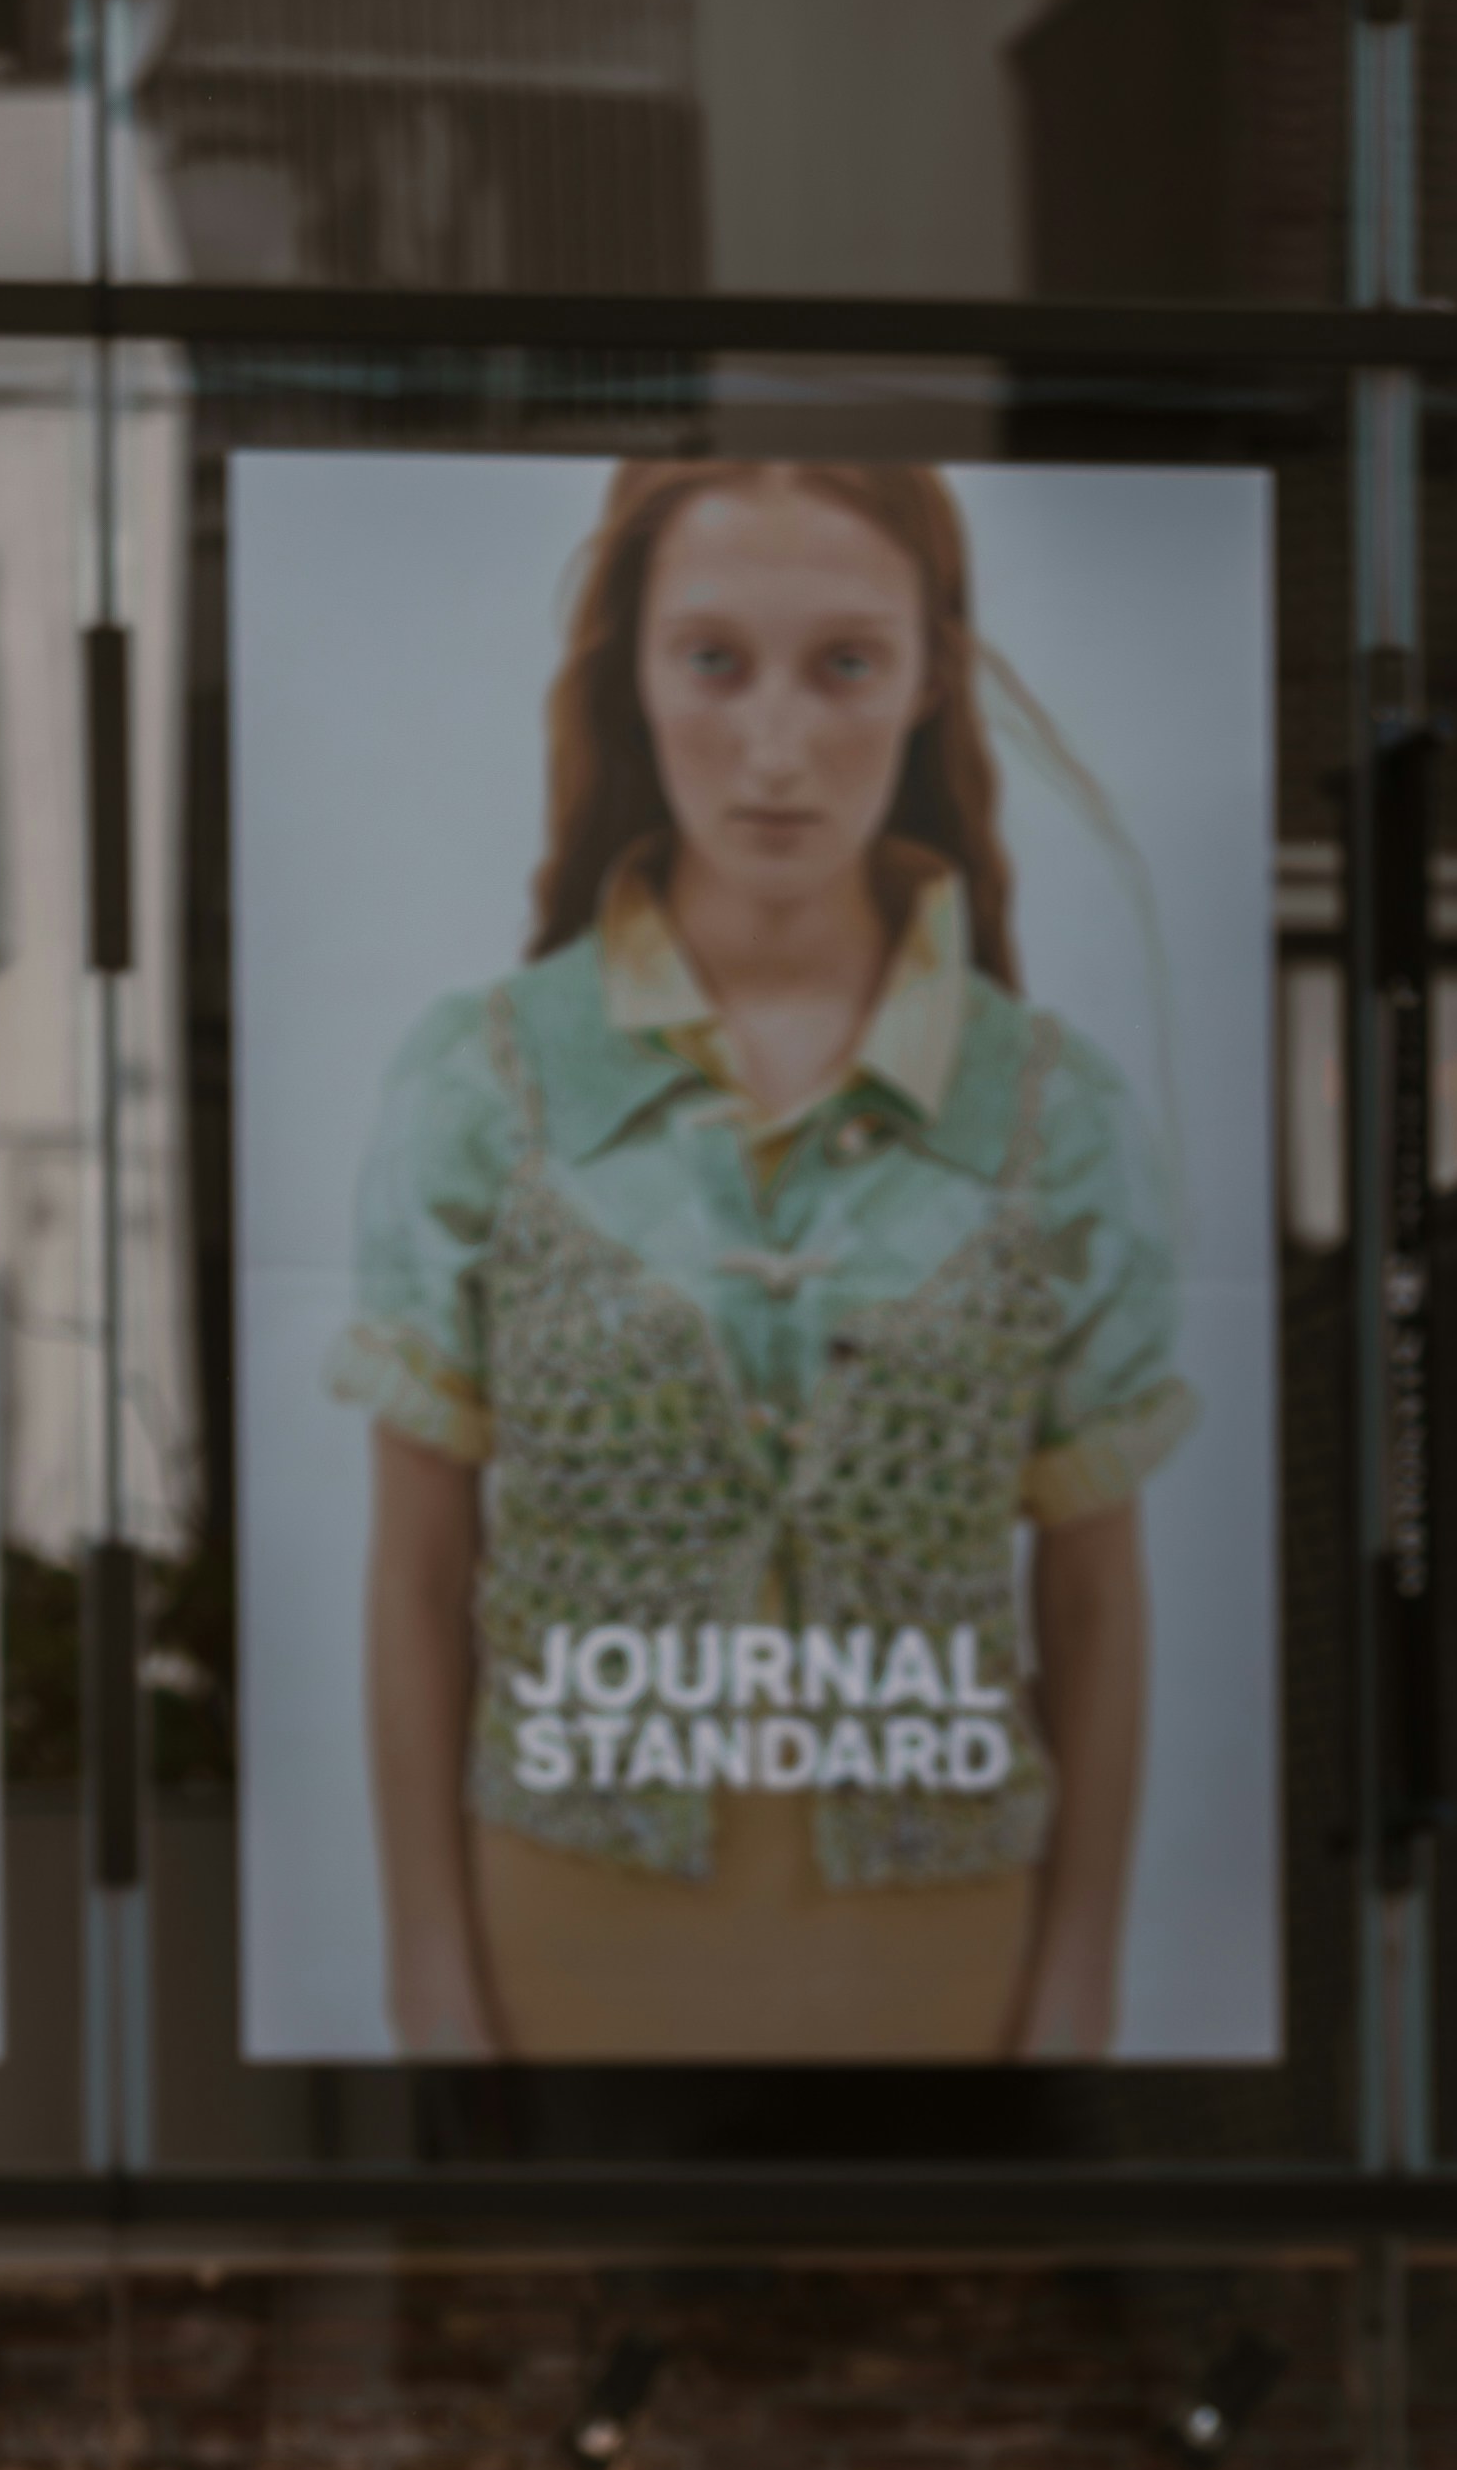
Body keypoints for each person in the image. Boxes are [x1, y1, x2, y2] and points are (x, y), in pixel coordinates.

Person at [334, 457, 1190, 2069]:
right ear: (635, 678)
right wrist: (427, 1977)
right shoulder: (480, 1082)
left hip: (951, 1968)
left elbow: (1092, 1596)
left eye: (846, 664)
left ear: (930, 677)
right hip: (561, 1951)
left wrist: (1079, 1979)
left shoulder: (1053, 1111)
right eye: (714, 661)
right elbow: (414, 1578)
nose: (778, 749)